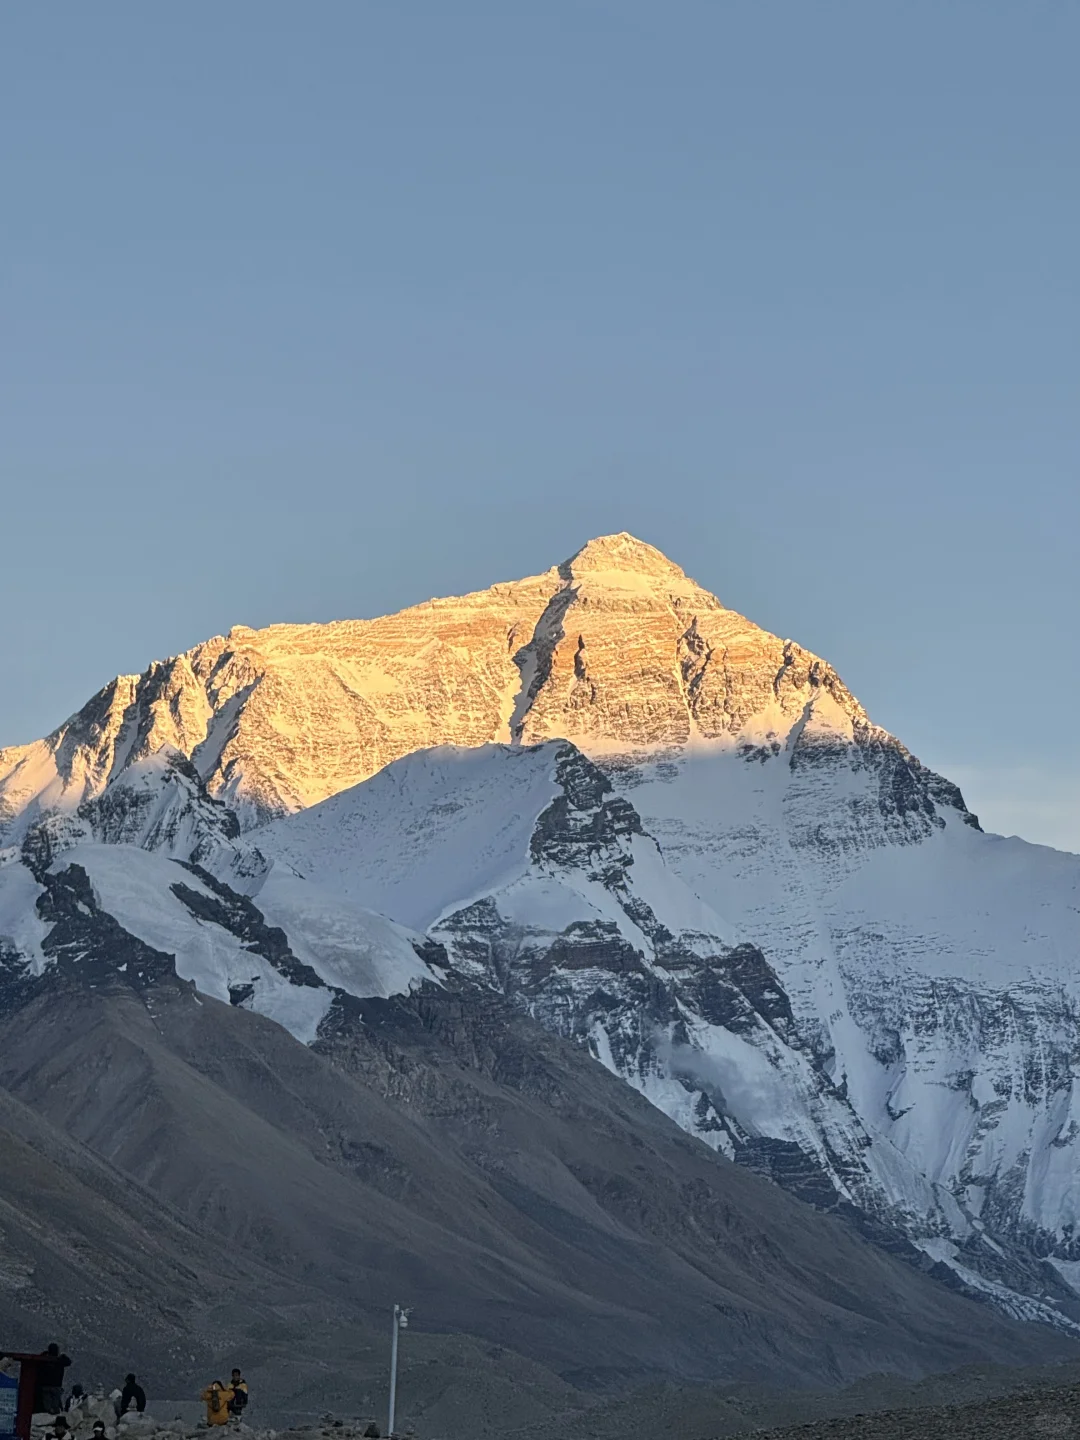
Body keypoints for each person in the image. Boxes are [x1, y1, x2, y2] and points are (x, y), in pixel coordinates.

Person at [38, 1345, 72, 1414]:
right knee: (55, 1405)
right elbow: (68, 1362)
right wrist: (63, 1356)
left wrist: (44, 1354)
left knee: (46, 1407)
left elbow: (38, 1360)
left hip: (46, 1386)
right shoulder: (60, 1360)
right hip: (56, 1386)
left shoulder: (44, 1360)